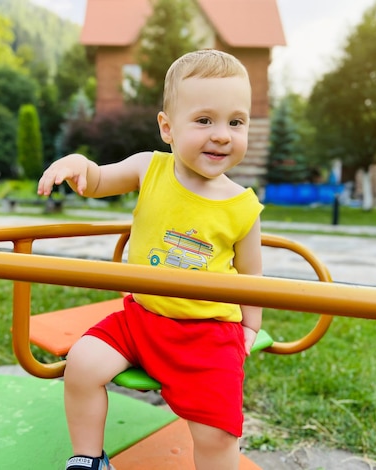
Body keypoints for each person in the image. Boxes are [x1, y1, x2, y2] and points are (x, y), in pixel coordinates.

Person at [38, 49, 263, 470]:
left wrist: (251, 325)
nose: (221, 135)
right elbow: (99, 180)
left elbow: (251, 275)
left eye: (236, 122)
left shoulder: (243, 207)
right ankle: (88, 458)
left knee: (217, 430)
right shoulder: (149, 169)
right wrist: (78, 165)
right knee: (82, 364)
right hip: (140, 318)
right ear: (167, 128)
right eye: (204, 120)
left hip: (208, 333)